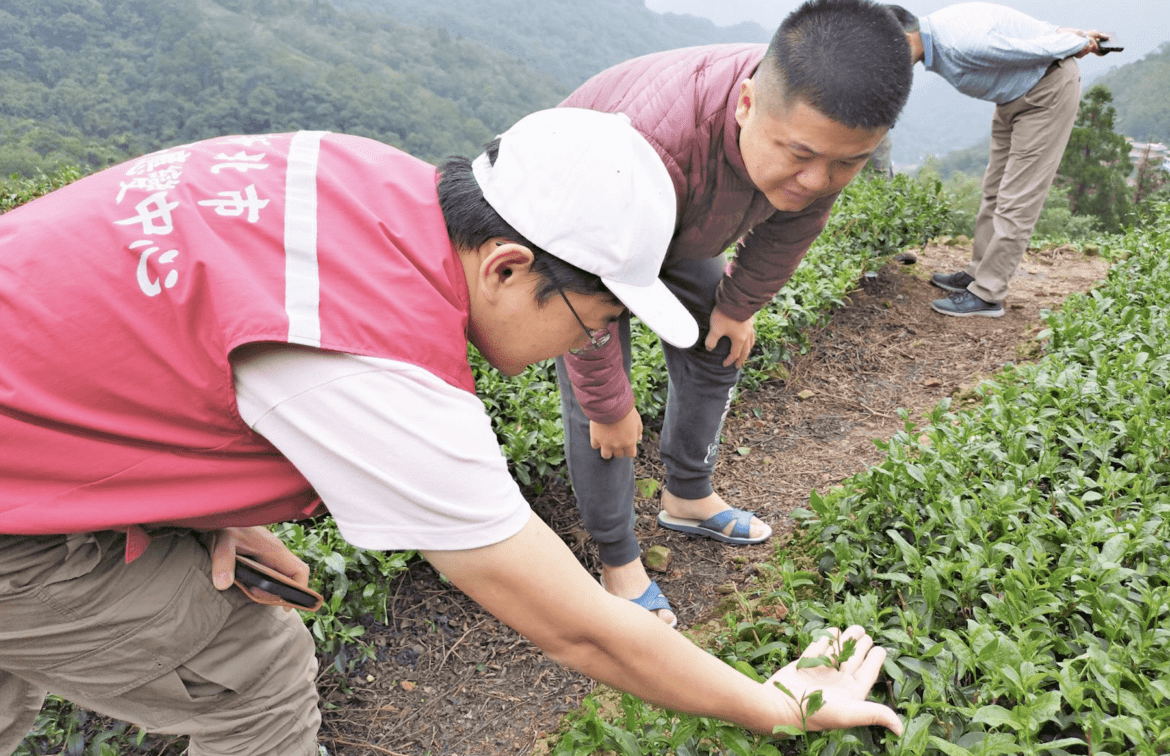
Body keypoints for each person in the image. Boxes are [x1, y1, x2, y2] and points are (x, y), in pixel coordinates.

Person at [0, 108, 903, 756]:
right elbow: (580, 630)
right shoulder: (375, 363)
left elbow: (159, 325)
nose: (591, 343)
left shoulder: (362, 176)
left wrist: (197, 505)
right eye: (593, 320)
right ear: (510, 266)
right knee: (255, 673)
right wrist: (778, 706)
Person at [554, 0, 913, 626]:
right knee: (603, 412)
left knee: (720, 343)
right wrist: (609, 404)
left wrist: (739, 304)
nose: (814, 180)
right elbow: (581, 284)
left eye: (845, 164)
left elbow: (791, 224)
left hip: (686, 222)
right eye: (798, 156)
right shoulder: (649, 144)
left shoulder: (811, 129)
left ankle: (686, 497)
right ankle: (617, 563)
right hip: (587, 235)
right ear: (745, 103)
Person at [885, 3, 1109, 318]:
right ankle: (978, 271)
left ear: (905, 39)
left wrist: (1078, 42)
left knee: (1018, 198)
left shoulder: (960, 42)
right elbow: (1021, 28)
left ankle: (988, 293)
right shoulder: (943, 30)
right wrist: (1068, 33)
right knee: (994, 188)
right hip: (1011, 97)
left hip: (1045, 94)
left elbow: (1033, 47)